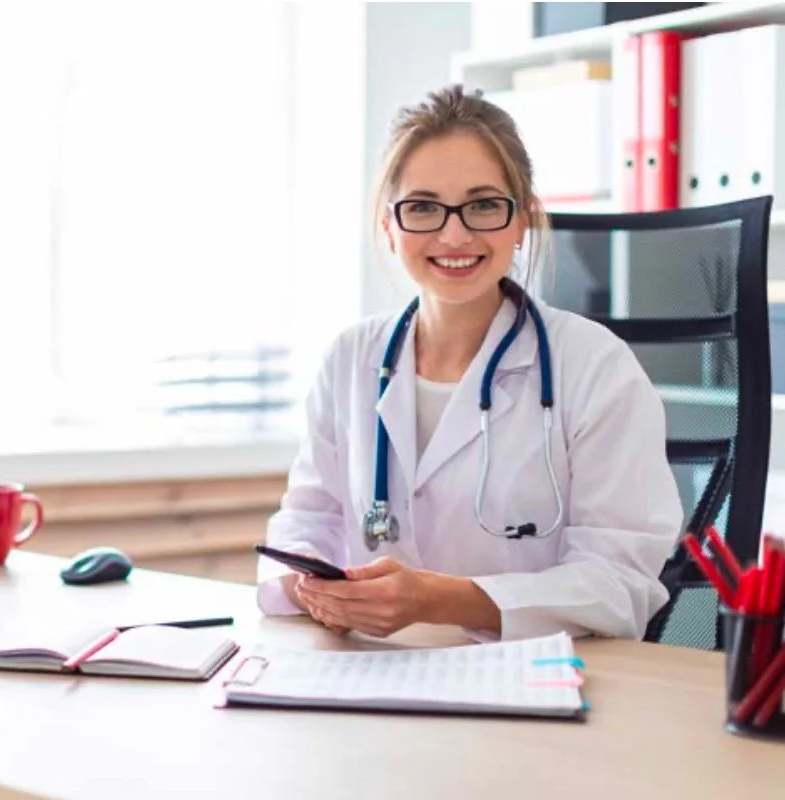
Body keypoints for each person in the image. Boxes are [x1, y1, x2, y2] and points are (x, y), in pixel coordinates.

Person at [256, 84, 683, 642]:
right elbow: (307, 524)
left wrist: (441, 600)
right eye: (424, 207)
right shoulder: (350, 359)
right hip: (369, 670)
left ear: (523, 218)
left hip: (530, 682)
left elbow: (621, 581)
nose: (454, 234)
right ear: (390, 223)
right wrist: (306, 584)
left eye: (483, 204)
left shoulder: (595, 367)